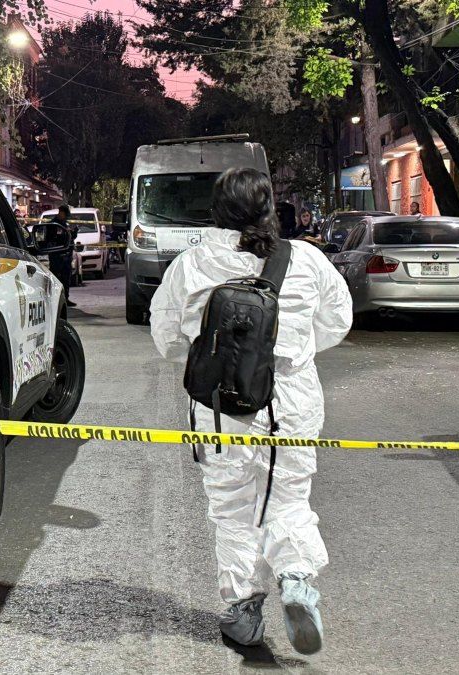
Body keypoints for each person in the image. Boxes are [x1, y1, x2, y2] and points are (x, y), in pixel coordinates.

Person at [149, 168, 352, 654]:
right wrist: (292, 355)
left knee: (232, 510)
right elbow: (338, 321)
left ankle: (243, 611)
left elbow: (167, 336)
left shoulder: (192, 263)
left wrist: (213, 362)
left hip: (221, 407)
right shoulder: (306, 259)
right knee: (288, 498)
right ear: (269, 209)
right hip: (293, 401)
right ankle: (297, 579)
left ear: (216, 212)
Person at [41, 204, 78, 308]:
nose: (65, 217)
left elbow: (70, 239)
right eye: (65, 214)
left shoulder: (65, 224)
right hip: (57, 256)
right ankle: (56, 300)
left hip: (67, 256)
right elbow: (50, 240)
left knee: (66, 279)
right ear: (61, 212)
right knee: (57, 279)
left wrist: (74, 233)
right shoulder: (52, 225)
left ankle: (65, 299)